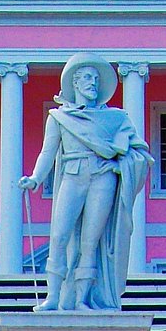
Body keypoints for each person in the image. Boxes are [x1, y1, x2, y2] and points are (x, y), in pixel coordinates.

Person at [19, 52, 151, 311]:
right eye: (87, 78)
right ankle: (54, 297)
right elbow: (48, 152)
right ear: (75, 84)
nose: (93, 83)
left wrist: (123, 160)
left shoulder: (117, 118)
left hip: (103, 177)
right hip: (73, 175)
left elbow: (140, 153)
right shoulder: (59, 117)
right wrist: (36, 178)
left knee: (91, 241)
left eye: (96, 79)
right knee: (59, 236)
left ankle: (82, 299)